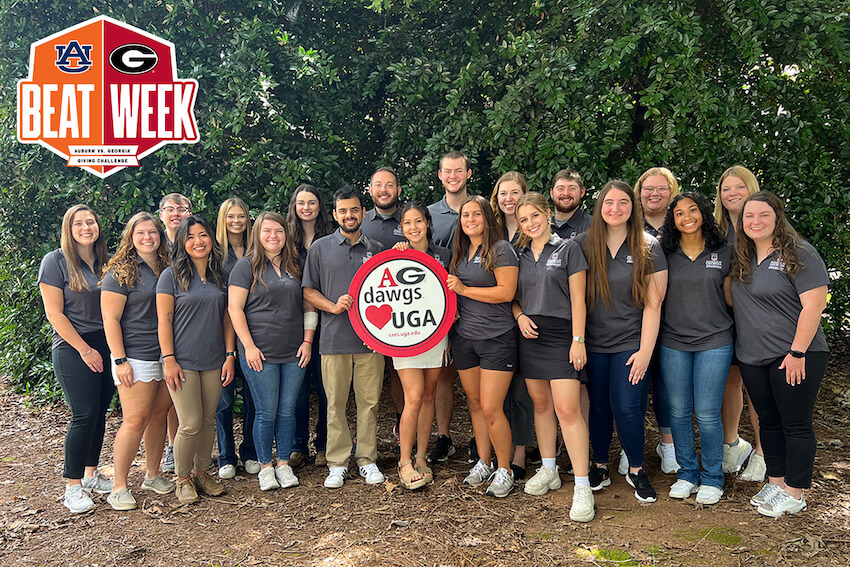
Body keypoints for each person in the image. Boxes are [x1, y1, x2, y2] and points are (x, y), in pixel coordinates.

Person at [730, 191, 829, 517]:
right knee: (768, 423)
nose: (755, 222)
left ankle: (796, 492)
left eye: (763, 215)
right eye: (748, 216)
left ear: (777, 218)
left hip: (794, 354)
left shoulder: (799, 253)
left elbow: (814, 304)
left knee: (795, 424)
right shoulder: (742, 256)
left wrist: (797, 351)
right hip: (753, 356)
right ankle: (776, 481)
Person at [577, 180, 667, 503]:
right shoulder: (584, 244)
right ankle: (600, 466)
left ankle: (637, 469)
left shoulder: (648, 246)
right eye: (609, 203)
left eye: (623, 203)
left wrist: (645, 352)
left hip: (631, 341)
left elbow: (654, 304)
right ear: (600, 206)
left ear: (633, 208)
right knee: (599, 406)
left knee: (627, 407)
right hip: (594, 343)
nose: (615, 209)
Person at [512, 192, 594, 522]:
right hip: (530, 336)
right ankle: (549, 469)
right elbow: (511, 297)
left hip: (562, 337)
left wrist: (578, 340)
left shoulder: (568, 249)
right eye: (523, 219)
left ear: (547, 214)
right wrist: (518, 316)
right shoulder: (517, 254)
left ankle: (583, 485)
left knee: (568, 409)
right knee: (541, 406)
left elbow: (579, 300)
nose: (530, 223)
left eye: (534, 216)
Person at [302, 186, 386, 489]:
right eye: (343, 211)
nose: (349, 215)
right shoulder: (320, 248)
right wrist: (333, 306)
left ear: (362, 212)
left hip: (372, 341)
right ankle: (337, 463)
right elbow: (309, 290)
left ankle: (367, 460)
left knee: (370, 403)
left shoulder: (376, 248)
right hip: (334, 339)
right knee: (335, 404)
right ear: (335, 214)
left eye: (354, 210)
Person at [228, 212, 315, 491]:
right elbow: (234, 309)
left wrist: (307, 342)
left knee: (287, 411)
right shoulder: (245, 267)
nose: (273, 236)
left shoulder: (295, 266)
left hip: (294, 352)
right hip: (259, 353)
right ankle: (265, 467)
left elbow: (308, 305)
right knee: (266, 411)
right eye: (267, 231)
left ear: (286, 234)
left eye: (279, 231)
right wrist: (249, 347)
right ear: (257, 234)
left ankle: (284, 465)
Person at [658, 193, 734, 505]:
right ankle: (687, 473)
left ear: (703, 213)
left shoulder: (724, 251)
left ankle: (713, 476)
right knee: (678, 410)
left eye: (693, 210)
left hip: (715, 341)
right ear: (672, 220)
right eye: (679, 213)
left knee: (706, 412)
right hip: (673, 342)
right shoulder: (664, 252)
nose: (687, 217)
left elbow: (733, 299)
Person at [38, 204, 114, 513]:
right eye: (79, 223)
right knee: (83, 414)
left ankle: (91, 475)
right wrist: (84, 349)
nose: (86, 228)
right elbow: (54, 313)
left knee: (98, 413)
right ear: (69, 229)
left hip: (107, 344)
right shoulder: (54, 262)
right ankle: (72, 486)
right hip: (73, 346)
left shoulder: (106, 262)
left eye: (91, 222)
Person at [156, 215, 236, 504]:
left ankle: (202, 474)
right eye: (190, 237)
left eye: (202, 235)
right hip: (183, 361)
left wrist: (230, 355)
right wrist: (169, 359)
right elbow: (163, 321)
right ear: (182, 243)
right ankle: (183, 479)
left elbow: (228, 318)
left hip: (215, 359)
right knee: (188, 423)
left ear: (211, 239)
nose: (197, 241)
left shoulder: (220, 275)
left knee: (206, 420)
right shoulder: (171, 276)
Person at [101, 213, 175, 510]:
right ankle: (119, 486)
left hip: (167, 355)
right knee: (135, 420)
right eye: (141, 233)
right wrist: (120, 360)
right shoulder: (120, 271)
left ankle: (153, 475)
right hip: (135, 355)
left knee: (158, 415)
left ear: (160, 235)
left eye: (153, 232)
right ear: (131, 237)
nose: (147, 237)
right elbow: (110, 319)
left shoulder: (169, 267)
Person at [448, 195, 519, 497]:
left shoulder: (501, 249)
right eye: (465, 215)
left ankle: (505, 469)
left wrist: (465, 289)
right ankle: (484, 461)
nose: (470, 220)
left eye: (477, 214)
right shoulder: (460, 252)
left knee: (492, 407)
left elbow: (506, 292)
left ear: (488, 218)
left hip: (497, 337)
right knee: (475, 404)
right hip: (465, 338)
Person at [390, 202, 452, 490]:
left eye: (418, 221)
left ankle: (422, 455)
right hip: (404, 337)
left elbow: (451, 294)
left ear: (428, 223)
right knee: (413, 397)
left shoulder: (444, 255)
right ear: (401, 228)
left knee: (428, 396)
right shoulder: (395, 257)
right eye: (407, 223)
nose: (413, 228)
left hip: (436, 334)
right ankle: (404, 461)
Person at [714, 165, 765, 481]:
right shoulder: (716, 231)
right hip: (723, 317)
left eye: (739, 188)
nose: (732, 194)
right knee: (730, 382)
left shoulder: (760, 226)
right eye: (726, 189)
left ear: (751, 189)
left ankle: (762, 452)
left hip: (757, 319)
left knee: (757, 386)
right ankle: (732, 444)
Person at [630, 167, 680, 476]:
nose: (654, 194)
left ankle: (668, 445)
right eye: (648, 188)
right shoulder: (631, 226)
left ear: (672, 192)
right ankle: (630, 446)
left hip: (677, 321)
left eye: (661, 188)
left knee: (666, 387)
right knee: (633, 386)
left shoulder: (683, 224)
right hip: (636, 321)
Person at [426, 151, 473, 465]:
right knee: (443, 374)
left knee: (477, 375)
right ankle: (444, 437)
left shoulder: (481, 209)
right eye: (447, 171)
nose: (453, 176)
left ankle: (476, 437)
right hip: (437, 306)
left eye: (459, 170)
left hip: (475, 302)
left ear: (468, 174)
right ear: (440, 176)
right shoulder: (428, 214)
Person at [489, 172, 534, 478]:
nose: (508, 199)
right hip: (495, 323)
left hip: (528, 318)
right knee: (498, 393)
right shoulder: (490, 232)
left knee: (522, 391)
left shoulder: (534, 230)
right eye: (503, 193)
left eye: (514, 193)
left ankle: (521, 451)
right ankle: (499, 450)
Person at [287, 184, 333, 468]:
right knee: (298, 388)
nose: (306, 207)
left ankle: (326, 444)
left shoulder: (330, 239)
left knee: (329, 388)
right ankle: (297, 445)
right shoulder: (285, 239)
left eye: (312, 202)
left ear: (319, 207)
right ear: (294, 206)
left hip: (328, 323)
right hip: (296, 325)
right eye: (301, 202)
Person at [361, 167, 407, 447]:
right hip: (373, 311)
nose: (384, 189)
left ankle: (405, 422)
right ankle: (370, 436)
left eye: (390, 185)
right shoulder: (360, 221)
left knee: (403, 370)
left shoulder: (411, 218)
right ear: (370, 190)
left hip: (409, 310)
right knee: (378, 372)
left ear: (398, 190)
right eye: (378, 184)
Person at [214, 198, 259, 479]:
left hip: (255, 331)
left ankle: (251, 452)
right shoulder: (215, 254)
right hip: (219, 333)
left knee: (255, 397)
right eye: (231, 216)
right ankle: (226, 456)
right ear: (223, 219)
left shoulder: (258, 249)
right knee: (224, 400)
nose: (236, 221)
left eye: (241, 215)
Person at [158, 192, 192, 473]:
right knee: (164, 401)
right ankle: (171, 450)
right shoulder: (154, 245)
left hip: (189, 331)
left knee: (180, 396)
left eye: (182, 208)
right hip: (156, 331)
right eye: (170, 209)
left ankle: (184, 451)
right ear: (161, 215)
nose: (176, 213)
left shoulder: (197, 244)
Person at [549, 169, 591, 240]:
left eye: (572, 188)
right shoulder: (542, 227)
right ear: (551, 193)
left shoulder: (593, 226)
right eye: (560, 188)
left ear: (582, 192)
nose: (566, 193)